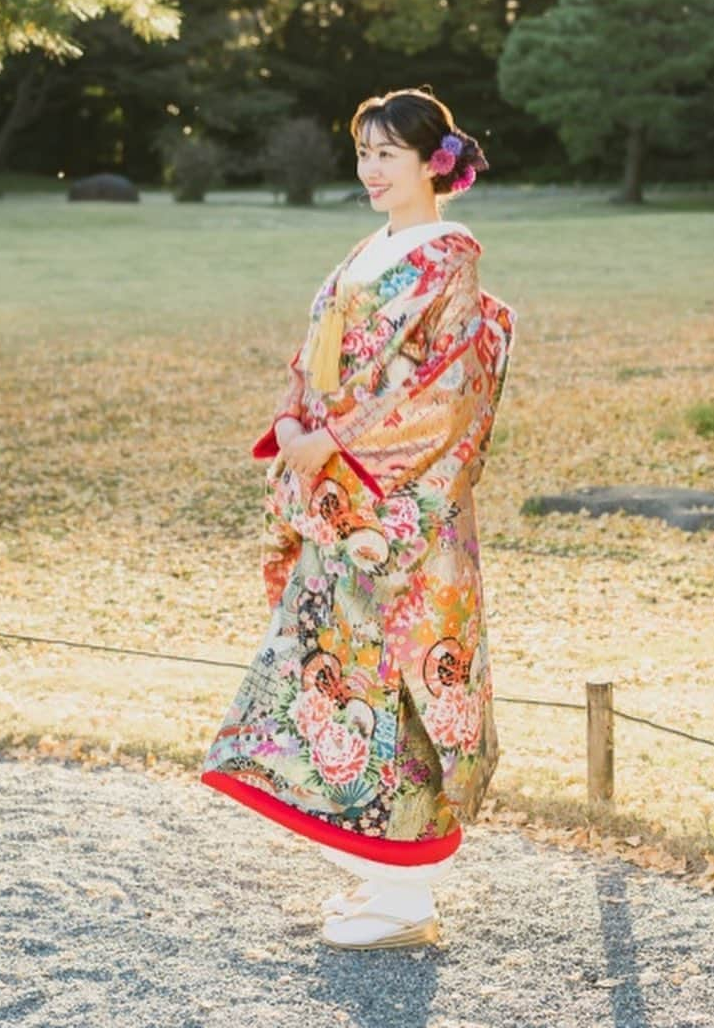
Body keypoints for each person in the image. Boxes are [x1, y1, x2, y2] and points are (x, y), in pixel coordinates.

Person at [200, 85, 517, 951]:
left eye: (386, 154)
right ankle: (383, 873)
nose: (370, 170)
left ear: (431, 164)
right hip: (341, 499)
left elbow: (444, 391)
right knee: (340, 679)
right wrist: (298, 424)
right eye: (363, 154)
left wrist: (333, 434)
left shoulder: (445, 260)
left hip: (395, 512)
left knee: (397, 680)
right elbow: (318, 359)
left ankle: (409, 891)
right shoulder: (374, 251)